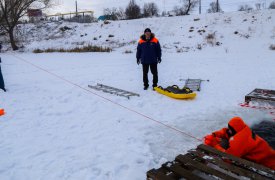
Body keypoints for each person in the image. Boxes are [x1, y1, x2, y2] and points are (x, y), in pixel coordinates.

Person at [204, 117, 275, 170]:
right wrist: (215, 134)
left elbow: (228, 158)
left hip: (268, 164)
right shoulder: (243, 129)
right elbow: (227, 132)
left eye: (230, 129)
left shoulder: (240, 141)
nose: (228, 130)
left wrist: (215, 145)